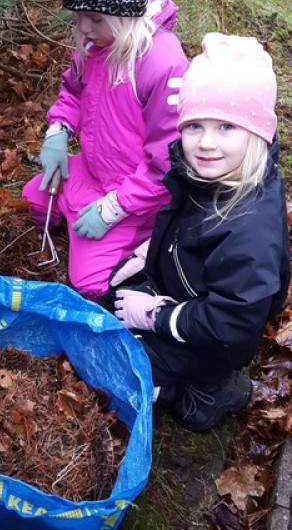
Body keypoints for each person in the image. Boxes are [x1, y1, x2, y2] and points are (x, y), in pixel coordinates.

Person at [102, 33, 290, 433]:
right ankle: (175, 365)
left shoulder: (249, 231)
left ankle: (210, 390)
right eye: (194, 126)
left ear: (257, 134)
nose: (206, 143)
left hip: (217, 335)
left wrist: (156, 316)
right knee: (109, 304)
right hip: (186, 290)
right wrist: (147, 252)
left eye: (226, 126)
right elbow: (180, 221)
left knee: (124, 364)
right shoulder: (209, 174)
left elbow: (230, 324)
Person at [22, 0, 189, 300]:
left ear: (125, 13)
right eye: (78, 16)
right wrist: (58, 131)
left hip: (135, 196)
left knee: (90, 285)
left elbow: (167, 162)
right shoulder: (95, 46)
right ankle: (80, 219)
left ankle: (142, 245)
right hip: (95, 170)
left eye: (94, 18)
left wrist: (114, 209)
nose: (82, 28)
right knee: (34, 199)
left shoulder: (161, 64)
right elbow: (72, 91)